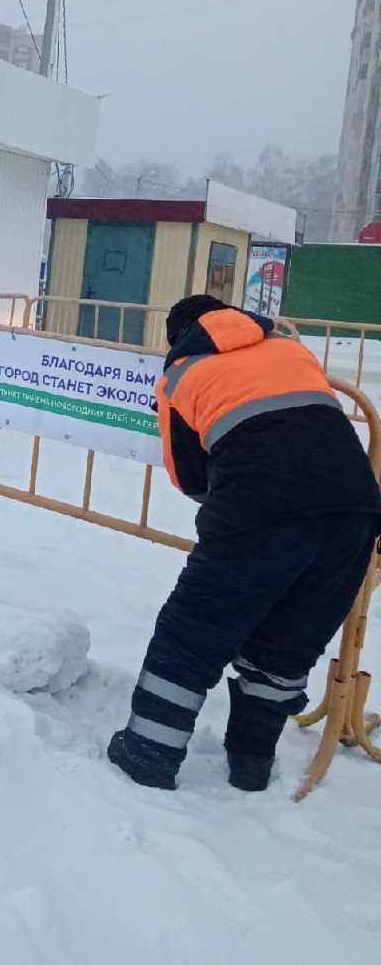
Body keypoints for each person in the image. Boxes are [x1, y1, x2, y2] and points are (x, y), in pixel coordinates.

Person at [108, 294, 381, 792]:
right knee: (288, 642)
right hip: (356, 509)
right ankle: (252, 762)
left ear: (179, 339)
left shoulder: (180, 375)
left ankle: (148, 752)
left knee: (193, 631)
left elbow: (188, 475)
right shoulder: (290, 349)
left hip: (259, 510)